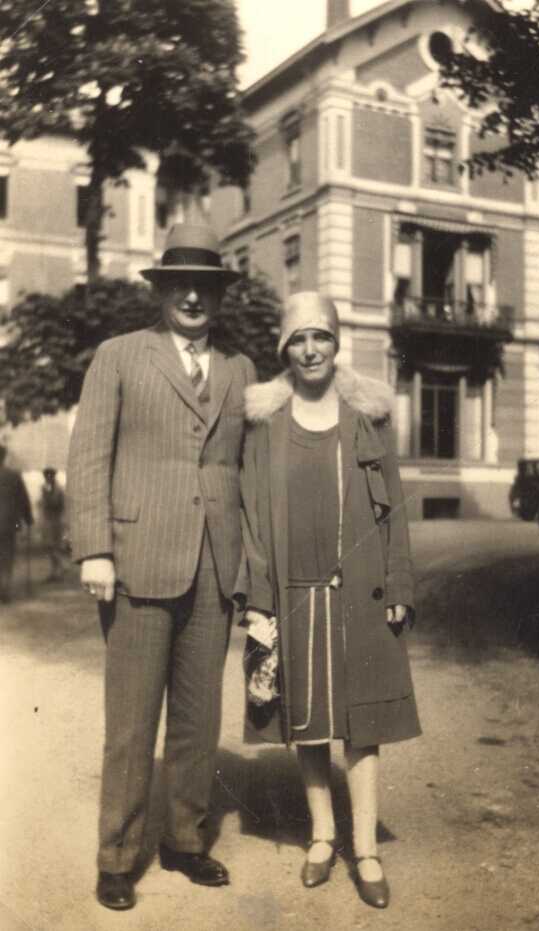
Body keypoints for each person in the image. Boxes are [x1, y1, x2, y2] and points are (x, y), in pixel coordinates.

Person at [67, 224, 255, 911]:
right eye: (180, 285)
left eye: (204, 286)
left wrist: (251, 568)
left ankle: (184, 839)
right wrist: (94, 547)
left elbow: (249, 470)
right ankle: (117, 857)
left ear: (218, 295)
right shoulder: (119, 356)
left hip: (214, 564)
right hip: (137, 559)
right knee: (131, 720)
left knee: (200, 719)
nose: (192, 297)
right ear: (161, 291)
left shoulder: (240, 369)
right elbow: (89, 454)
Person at [238, 291, 420, 910]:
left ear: (337, 343)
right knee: (307, 721)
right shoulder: (265, 425)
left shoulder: (366, 415)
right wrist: (259, 599)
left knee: (363, 727)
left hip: (360, 594)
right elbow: (253, 518)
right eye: (299, 339)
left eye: (321, 337)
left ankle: (364, 850)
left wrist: (399, 582)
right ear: (284, 349)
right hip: (294, 593)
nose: (311, 350)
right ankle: (322, 836)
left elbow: (393, 507)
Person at [0, 444, 33, 602]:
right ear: (4, 457)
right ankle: (4, 590)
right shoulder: (14, 476)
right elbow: (23, 499)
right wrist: (28, 519)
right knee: (7, 556)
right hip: (9, 523)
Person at [39, 467, 66, 581]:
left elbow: (55, 503)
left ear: (53, 476)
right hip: (49, 520)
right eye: (46, 476)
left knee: (53, 546)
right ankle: (56, 570)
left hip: (56, 520)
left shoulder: (57, 489)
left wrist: (46, 495)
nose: (48, 478)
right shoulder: (47, 487)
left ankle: (59, 570)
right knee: (51, 546)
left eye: (50, 475)